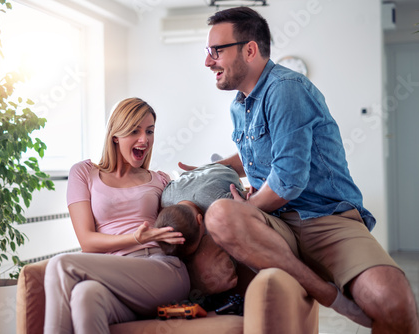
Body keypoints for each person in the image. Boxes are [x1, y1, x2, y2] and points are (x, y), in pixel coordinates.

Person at [179, 6, 419, 333]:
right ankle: (323, 290)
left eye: (216, 51)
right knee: (221, 215)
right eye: (208, 52)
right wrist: (208, 170)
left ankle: (324, 288)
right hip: (277, 223)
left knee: (395, 303)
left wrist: (247, 207)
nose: (208, 61)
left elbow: (288, 181)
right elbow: (252, 152)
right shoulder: (239, 105)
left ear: (249, 50)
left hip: (326, 218)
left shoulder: (285, 88)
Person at [43, 97, 190, 334]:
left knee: (61, 264)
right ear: (115, 135)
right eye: (135, 131)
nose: (144, 139)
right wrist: (135, 238)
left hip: (161, 270)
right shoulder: (83, 173)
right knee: (85, 296)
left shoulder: (160, 179)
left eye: (150, 131)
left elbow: (184, 220)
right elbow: (87, 242)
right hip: (117, 279)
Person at [154, 163, 245, 258]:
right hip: (205, 170)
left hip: (229, 173)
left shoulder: (217, 205)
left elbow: (240, 198)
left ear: (199, 219)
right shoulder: (166, 198)